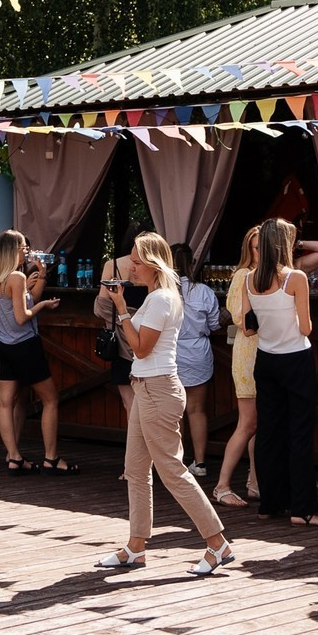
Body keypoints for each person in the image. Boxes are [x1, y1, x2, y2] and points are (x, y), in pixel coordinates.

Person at [94, 233, 237, 577]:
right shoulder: (157, 297)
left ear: (154, 263)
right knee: (136, 468)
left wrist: (121, 310)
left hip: (158, 389)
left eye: (137, 260)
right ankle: (136, 547)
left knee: (171, 470)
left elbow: (140, 348)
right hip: (149, 387)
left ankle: (217, 544)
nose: (131, 266)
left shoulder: (159, 299)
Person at [249, 217, 318, 527]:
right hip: (295, 357)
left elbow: (251, 324)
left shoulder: (250, 279)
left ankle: (269, 504)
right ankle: (303, 509)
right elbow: (306, 327)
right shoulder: (295, 277)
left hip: (266, 358)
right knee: (299, 434)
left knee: (268, 434)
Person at [0, 230, 63, 471]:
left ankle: (14, 457)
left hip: (4, 347)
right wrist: (44, 306)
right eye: (22, 248)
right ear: (13, 250)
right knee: (50, 400)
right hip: (25, 345)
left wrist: (42, 277)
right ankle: (51, 457)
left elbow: (24, 301)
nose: (26, 252)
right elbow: (22, 316)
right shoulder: (16, 277)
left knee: (5, 404)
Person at [213, 225, 262, 508]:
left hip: (264, 354)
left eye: (264, 247)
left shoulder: (266, 276)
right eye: (256, 247)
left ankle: (255, 483)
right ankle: (222, 485)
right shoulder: (243, 276)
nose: (260, 252)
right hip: (249, 354)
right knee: (247, 423)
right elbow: (242, 321)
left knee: (258, 423)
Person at [171, 243, 220, 480]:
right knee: (196, 410)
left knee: (174, 411)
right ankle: (199, 462)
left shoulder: (163, 292)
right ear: (192, 264)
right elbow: (214, 325)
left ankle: (176, 462)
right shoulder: (204, 292)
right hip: (198, 350)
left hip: (172, 352)